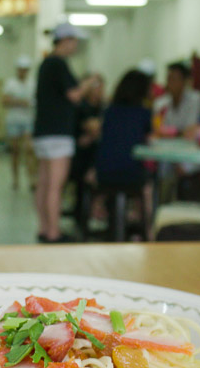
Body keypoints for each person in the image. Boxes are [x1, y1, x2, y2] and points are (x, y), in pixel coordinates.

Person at [32, 22, 86, 243]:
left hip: (43, 132)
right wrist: (89, 83)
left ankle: (44, 227)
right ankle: (54, 232)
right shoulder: (58, 64)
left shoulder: (45, 64)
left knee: (44, 183)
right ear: (66, 40)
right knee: (55, 185)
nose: (76, 46)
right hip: (57, 133)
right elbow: (74, 95)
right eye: (74, 41)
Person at [94, 69, 156, 239]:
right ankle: (146, 231)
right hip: (130, 174)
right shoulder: (144, 113)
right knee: (148, 182)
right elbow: (150, 139)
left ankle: (114, 221)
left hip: (103, 173)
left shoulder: (109, 111)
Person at [1, 56, 37, 190]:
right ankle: (15, 179)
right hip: (14, 121)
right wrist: (22, 102)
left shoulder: (33, 83)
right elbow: (4, 101)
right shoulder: (10, 83)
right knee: (15, 151)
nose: (23, 72)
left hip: (28, 120)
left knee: (29, 150)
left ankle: (32, 179)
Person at [70, 72, 105, 188]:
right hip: (79, 153)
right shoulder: (80, 107)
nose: (99, 90)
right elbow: (93, 127)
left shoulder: (103, 107)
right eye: (95, 86)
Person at [154, 61, 200, 139]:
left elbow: (190, 129)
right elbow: (157, 128)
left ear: (185, 81)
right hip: (164, 145)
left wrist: (169, 132)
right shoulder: (160, 103)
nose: (169, 83)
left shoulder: (195, 99)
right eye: (168, 79)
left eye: (174, 79)